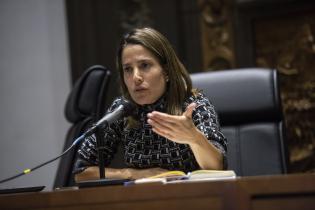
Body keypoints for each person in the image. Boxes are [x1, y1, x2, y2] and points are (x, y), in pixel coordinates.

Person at [74, 27, 227, 182]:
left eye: (144, 65)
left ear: (166, 71)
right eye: (128, 69)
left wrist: (194, 138)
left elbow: (217, 167)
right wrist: (132, 174)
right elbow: (81, 172)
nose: (136, 77)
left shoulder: (194, 104)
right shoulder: (123, 109)